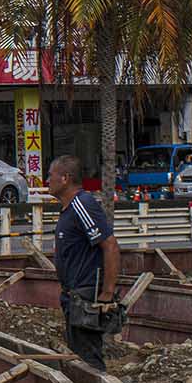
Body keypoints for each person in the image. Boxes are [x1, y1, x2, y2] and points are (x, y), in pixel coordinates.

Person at [46, 154, 122, 370]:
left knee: (88, 358)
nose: (47, 180)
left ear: (65, 178)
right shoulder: (69, 210)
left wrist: (107, 294)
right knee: (79, 355)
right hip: (73, 296)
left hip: (85, 295)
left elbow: (110, 246)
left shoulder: (82, 205)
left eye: (51, 175)